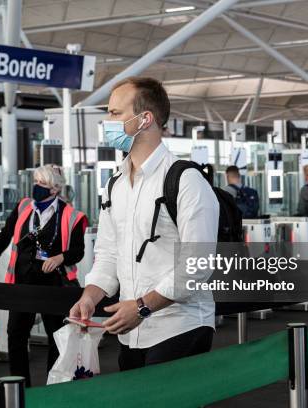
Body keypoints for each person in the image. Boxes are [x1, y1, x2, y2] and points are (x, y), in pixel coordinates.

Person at [69, 77, 219, 371]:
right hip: (131, 334)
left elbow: (197, 264)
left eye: (114, 113)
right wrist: (89, 297)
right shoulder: (115, 185)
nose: (106, 122)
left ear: (145, 119)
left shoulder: (186, 180)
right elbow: (109, 253)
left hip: (180, 327)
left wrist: (142, 306)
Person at [0, 164, 87, 387]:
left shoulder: (71, 216)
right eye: (36, 182)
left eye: (42, 184)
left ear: (55, 189)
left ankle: (52, 387)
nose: (37, 187)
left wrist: (59, 258)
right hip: (22, 283)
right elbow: (4, 236)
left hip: (53, 286)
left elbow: (78, 251)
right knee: (16, 335)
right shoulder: (24, 207)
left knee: (56, 338)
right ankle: (19, 388)